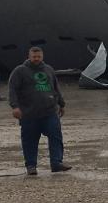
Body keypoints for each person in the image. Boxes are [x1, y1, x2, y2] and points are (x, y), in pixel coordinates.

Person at [7, 47, 71, 176]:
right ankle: (31, 166)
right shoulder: (20, 71)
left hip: (49, 112)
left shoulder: (49, 69)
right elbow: (12, 89)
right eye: (34, 57)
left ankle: (56, 163)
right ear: (29, 56)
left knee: (56, 136)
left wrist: (61, 104)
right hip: (29, 113)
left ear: (42, 57)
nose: (36, 59)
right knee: (29, 140)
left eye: (39, 57)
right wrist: (15, 107)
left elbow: (55, 87)